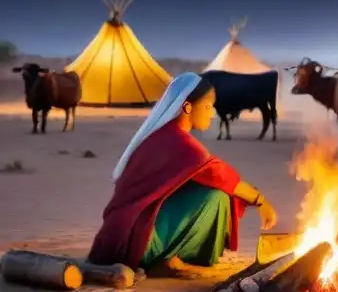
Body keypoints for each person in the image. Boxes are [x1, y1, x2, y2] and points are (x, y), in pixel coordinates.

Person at [87, 72, 278, 277]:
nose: (212, 114)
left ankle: (167, 259)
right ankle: (171, 260)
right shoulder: (182, 145)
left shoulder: (163, 136)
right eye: (207, 107)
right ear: (187, 107)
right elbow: (223, 177)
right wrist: (261, 201)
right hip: (133, 243)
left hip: (116, 237)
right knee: (218, 196)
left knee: (209, 190)